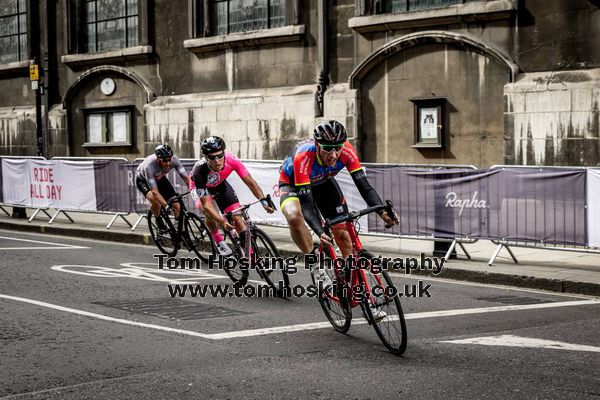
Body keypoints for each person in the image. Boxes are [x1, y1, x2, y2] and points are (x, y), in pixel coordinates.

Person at [278, 120, 398, 297]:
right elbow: (307, 205)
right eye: (327, 148)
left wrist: (383, 212)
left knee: (343, 235)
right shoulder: (304, 157)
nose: (333, 154)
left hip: (323, 182)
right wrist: (319, 231)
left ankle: (348, 285)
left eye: (337, 147)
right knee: (294, 216)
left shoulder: (347, 151)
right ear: (317, 144)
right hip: (294, 184)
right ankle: (314, 263)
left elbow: (364, 187)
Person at [190, 136, 275, 255]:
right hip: (199, 186)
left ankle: (250, 254)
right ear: (206, 157)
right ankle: (218, 240)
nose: (217, 160)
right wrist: (222, 222)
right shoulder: (200, 171)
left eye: (220, 156)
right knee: (206, 210)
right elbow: (207, 205)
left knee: (238, 218)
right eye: (212, 157)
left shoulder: (231, 160)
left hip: (219, 184)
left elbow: (250, 182)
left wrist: (264, 202)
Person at [136, 144, 192, 231]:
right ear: (158, 158)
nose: (168, 163)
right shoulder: (149, 166)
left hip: (160, 178)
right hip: (143, 181)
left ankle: (178, 231)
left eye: (169, 160)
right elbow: (155, 192)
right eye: (165, 161)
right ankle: (158, 220)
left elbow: (186, 178)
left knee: (177, 205)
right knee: (156, 201)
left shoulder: (174, 159)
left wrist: (194, 191)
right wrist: (166, 206)